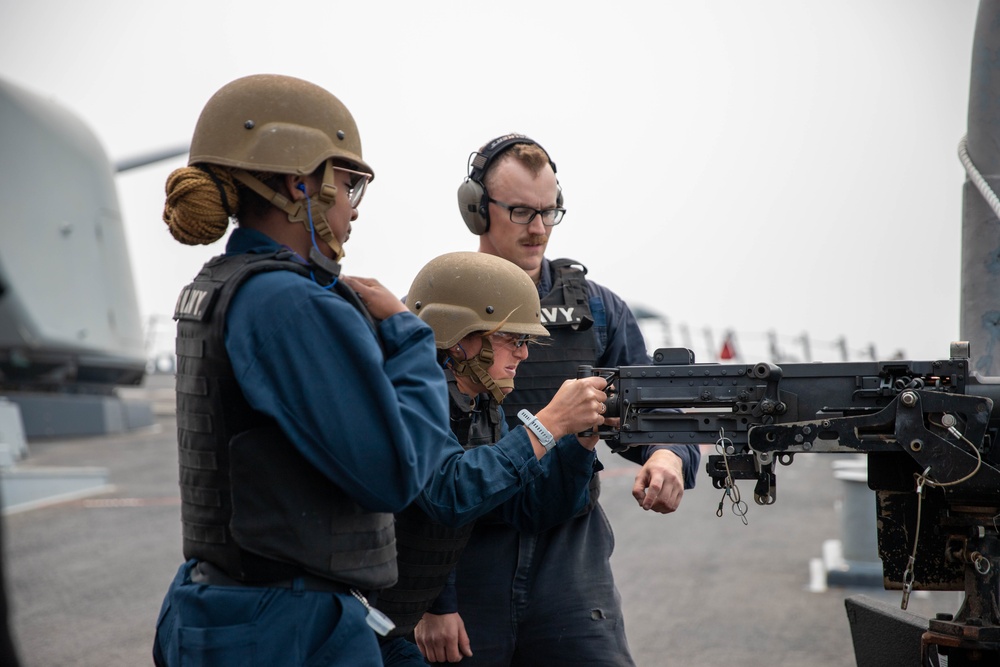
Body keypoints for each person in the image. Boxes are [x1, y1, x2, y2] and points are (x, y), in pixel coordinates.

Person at [151, 76, 609, 667]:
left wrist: (573, 443)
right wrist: (410, 336)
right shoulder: (291, 304)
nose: (352, 209)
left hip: (241, 603)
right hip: (284, 622)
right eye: (345, 184)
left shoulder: (224, 287)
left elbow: (508, 501)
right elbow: (400, 477)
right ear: (300, 185)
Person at [412, 134, 703, 665]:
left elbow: (660, 412)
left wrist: (668, 455)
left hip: (569, 558)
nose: (538, 229)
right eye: (522, 211)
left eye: (550, 212)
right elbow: (422, 472)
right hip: (471, 550)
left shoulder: (595, 310)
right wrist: (436, 599)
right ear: (478, 210)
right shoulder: (442, 308)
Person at [378, 251, 610, 665]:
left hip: (389, 624)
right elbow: (450, 493)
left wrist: (580, 441)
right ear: (459, 336)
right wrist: (549, 424)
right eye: (513, 339)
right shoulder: (406, 395)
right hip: (359, 624)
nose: (523, 354)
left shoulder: (479, 406)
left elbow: (526, 509)